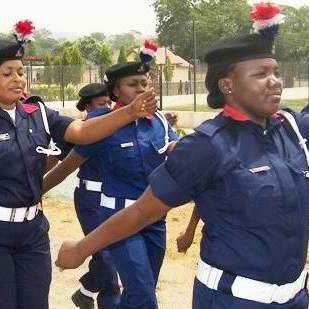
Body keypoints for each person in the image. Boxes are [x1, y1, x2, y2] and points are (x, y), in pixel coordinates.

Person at [56, 3, 309, 308]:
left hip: (294, 297)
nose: (275, 81)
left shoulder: (292, 130)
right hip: (233, 300)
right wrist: (82, 248)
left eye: (276, 72)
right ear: (227, 85)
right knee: (140, 292)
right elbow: (142, 211)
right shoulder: (208, 145)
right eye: (261, 74)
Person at [0, 20, 157, 309]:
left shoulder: (37, 113)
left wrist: (127, 113)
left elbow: (82, 131)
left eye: (20, 72)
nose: (18, 79)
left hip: (32, 234)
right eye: (7, 73)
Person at [46, 42, 178, 308]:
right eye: (133, 84)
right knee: (142, 296)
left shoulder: (159, 121)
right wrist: (27, 195)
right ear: (116, 91)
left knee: (143, 290)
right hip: (118, 219)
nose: (142, 89)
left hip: (155, 219)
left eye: (145, 82)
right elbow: (67, 166)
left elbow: (173, 149)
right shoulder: (102, 125)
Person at [45, 83, 120, 309]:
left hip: (116, 200)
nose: (107, 107)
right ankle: (110, 301)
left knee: (114, 252)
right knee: (105, 254)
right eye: (101, 104)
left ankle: (86, 290)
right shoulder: (82, 131)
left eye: (109, 102)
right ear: (88, 106)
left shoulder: (118, 126)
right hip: (91, 199)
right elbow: (58, 161)